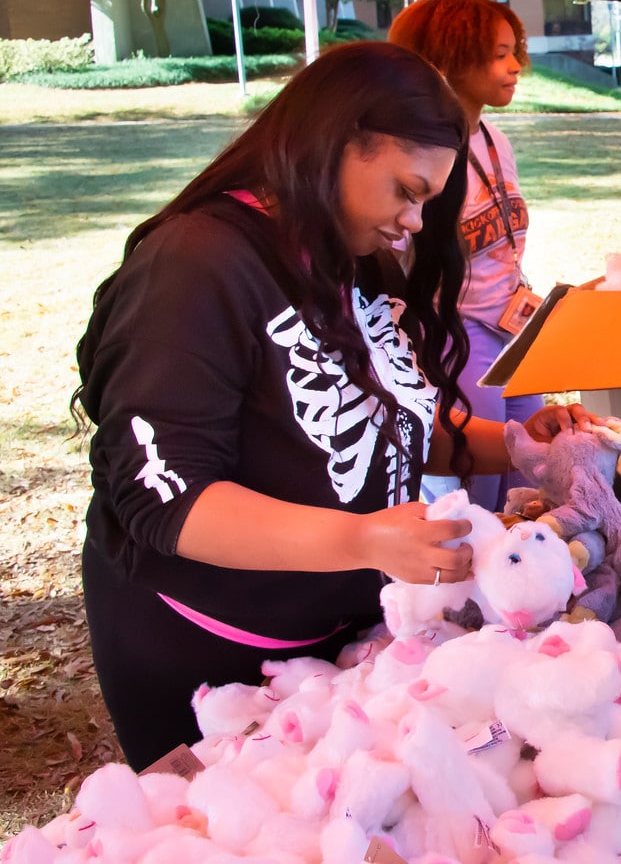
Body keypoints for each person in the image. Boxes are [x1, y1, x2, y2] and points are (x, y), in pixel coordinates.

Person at [74, 42, 587, 770]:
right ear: (338, 140)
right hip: (206, 652)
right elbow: (167, 499)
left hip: (334, 642)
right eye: (406, 191)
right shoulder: (196, 264)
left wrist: (516, 444)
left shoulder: (351, 255)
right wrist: (361, 540)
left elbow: (389, 417)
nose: (413, 222)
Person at [388, 0, 543, 513]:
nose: (515, 66)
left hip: (514, 331)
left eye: (513, 51)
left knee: (532, 471)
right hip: (456, 332)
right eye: (499, 55)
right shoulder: (417, 153)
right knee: (475, 493)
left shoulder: (496, 139)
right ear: (450, 57)